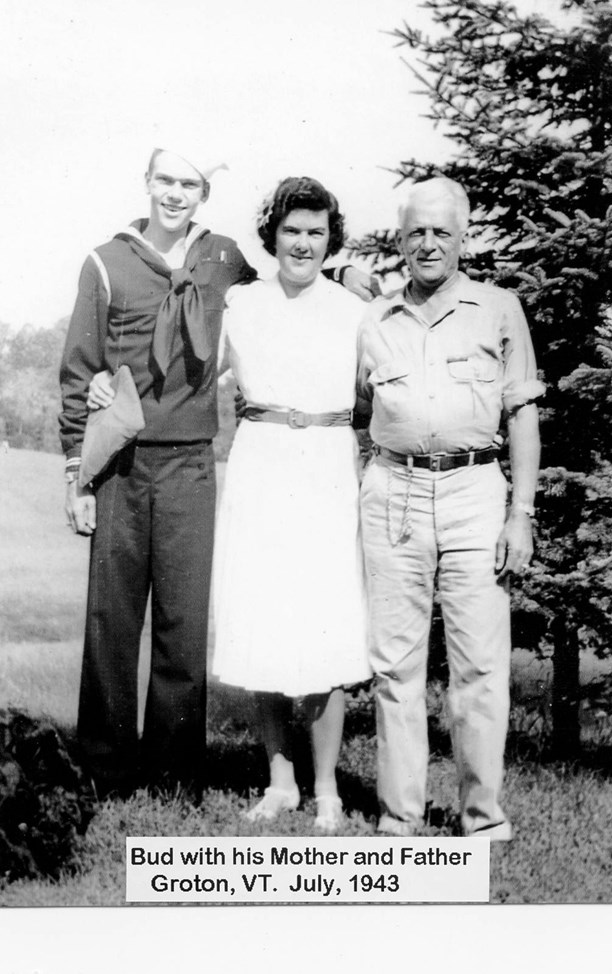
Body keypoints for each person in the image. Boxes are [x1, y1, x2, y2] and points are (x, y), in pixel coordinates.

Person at [60, 148, 373, 801]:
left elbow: (293, 281)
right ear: (147, 183)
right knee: (112, 620)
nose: (175, 194)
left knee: (184, 624)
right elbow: (79, 367)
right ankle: (106, 771)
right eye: (165, 180)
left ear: (204, 192)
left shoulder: (222, 257)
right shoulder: (107, 262)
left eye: (189, 184)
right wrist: (82, 449)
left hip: (196, 462)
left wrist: (345, 272)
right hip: (124, 459)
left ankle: (174, 775)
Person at [357, 177, 544, 839]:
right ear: (400, 240)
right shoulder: (374, 319)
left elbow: (523, 414)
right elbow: (358, 411)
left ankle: (481, 815)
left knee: (481, 665)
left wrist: (520, 512)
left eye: (442, 231)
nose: (428, 243)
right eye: (416, 232)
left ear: (463, 238)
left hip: (474, 497)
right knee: (395, 666)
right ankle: (399, 815)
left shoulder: (498, 309)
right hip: (394, 494)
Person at [211, 177, 371, 831]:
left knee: (329, 626)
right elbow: (190, 370)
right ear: (271, 235)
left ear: (331, 238)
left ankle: (328, 787)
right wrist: (110, 384)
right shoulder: (241, 304)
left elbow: (381, 389)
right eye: (292, 230)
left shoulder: (356, 307)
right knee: (260, 621)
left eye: (316, 231)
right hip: (261, 461)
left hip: (329, 465)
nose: (303, 243)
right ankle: (280, 779)